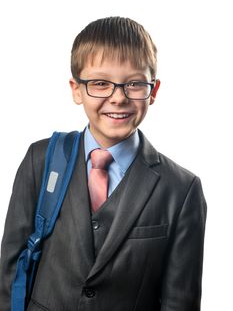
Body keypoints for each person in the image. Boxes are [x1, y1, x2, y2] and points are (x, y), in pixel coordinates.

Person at [0, 16, 207, 311]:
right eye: (100, 83)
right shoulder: (41, 159)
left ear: (154, 90)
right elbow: (10, 270)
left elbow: (179, 301)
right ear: (76, 89)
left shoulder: (181, 189)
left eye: (134, 84)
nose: (118, 98)